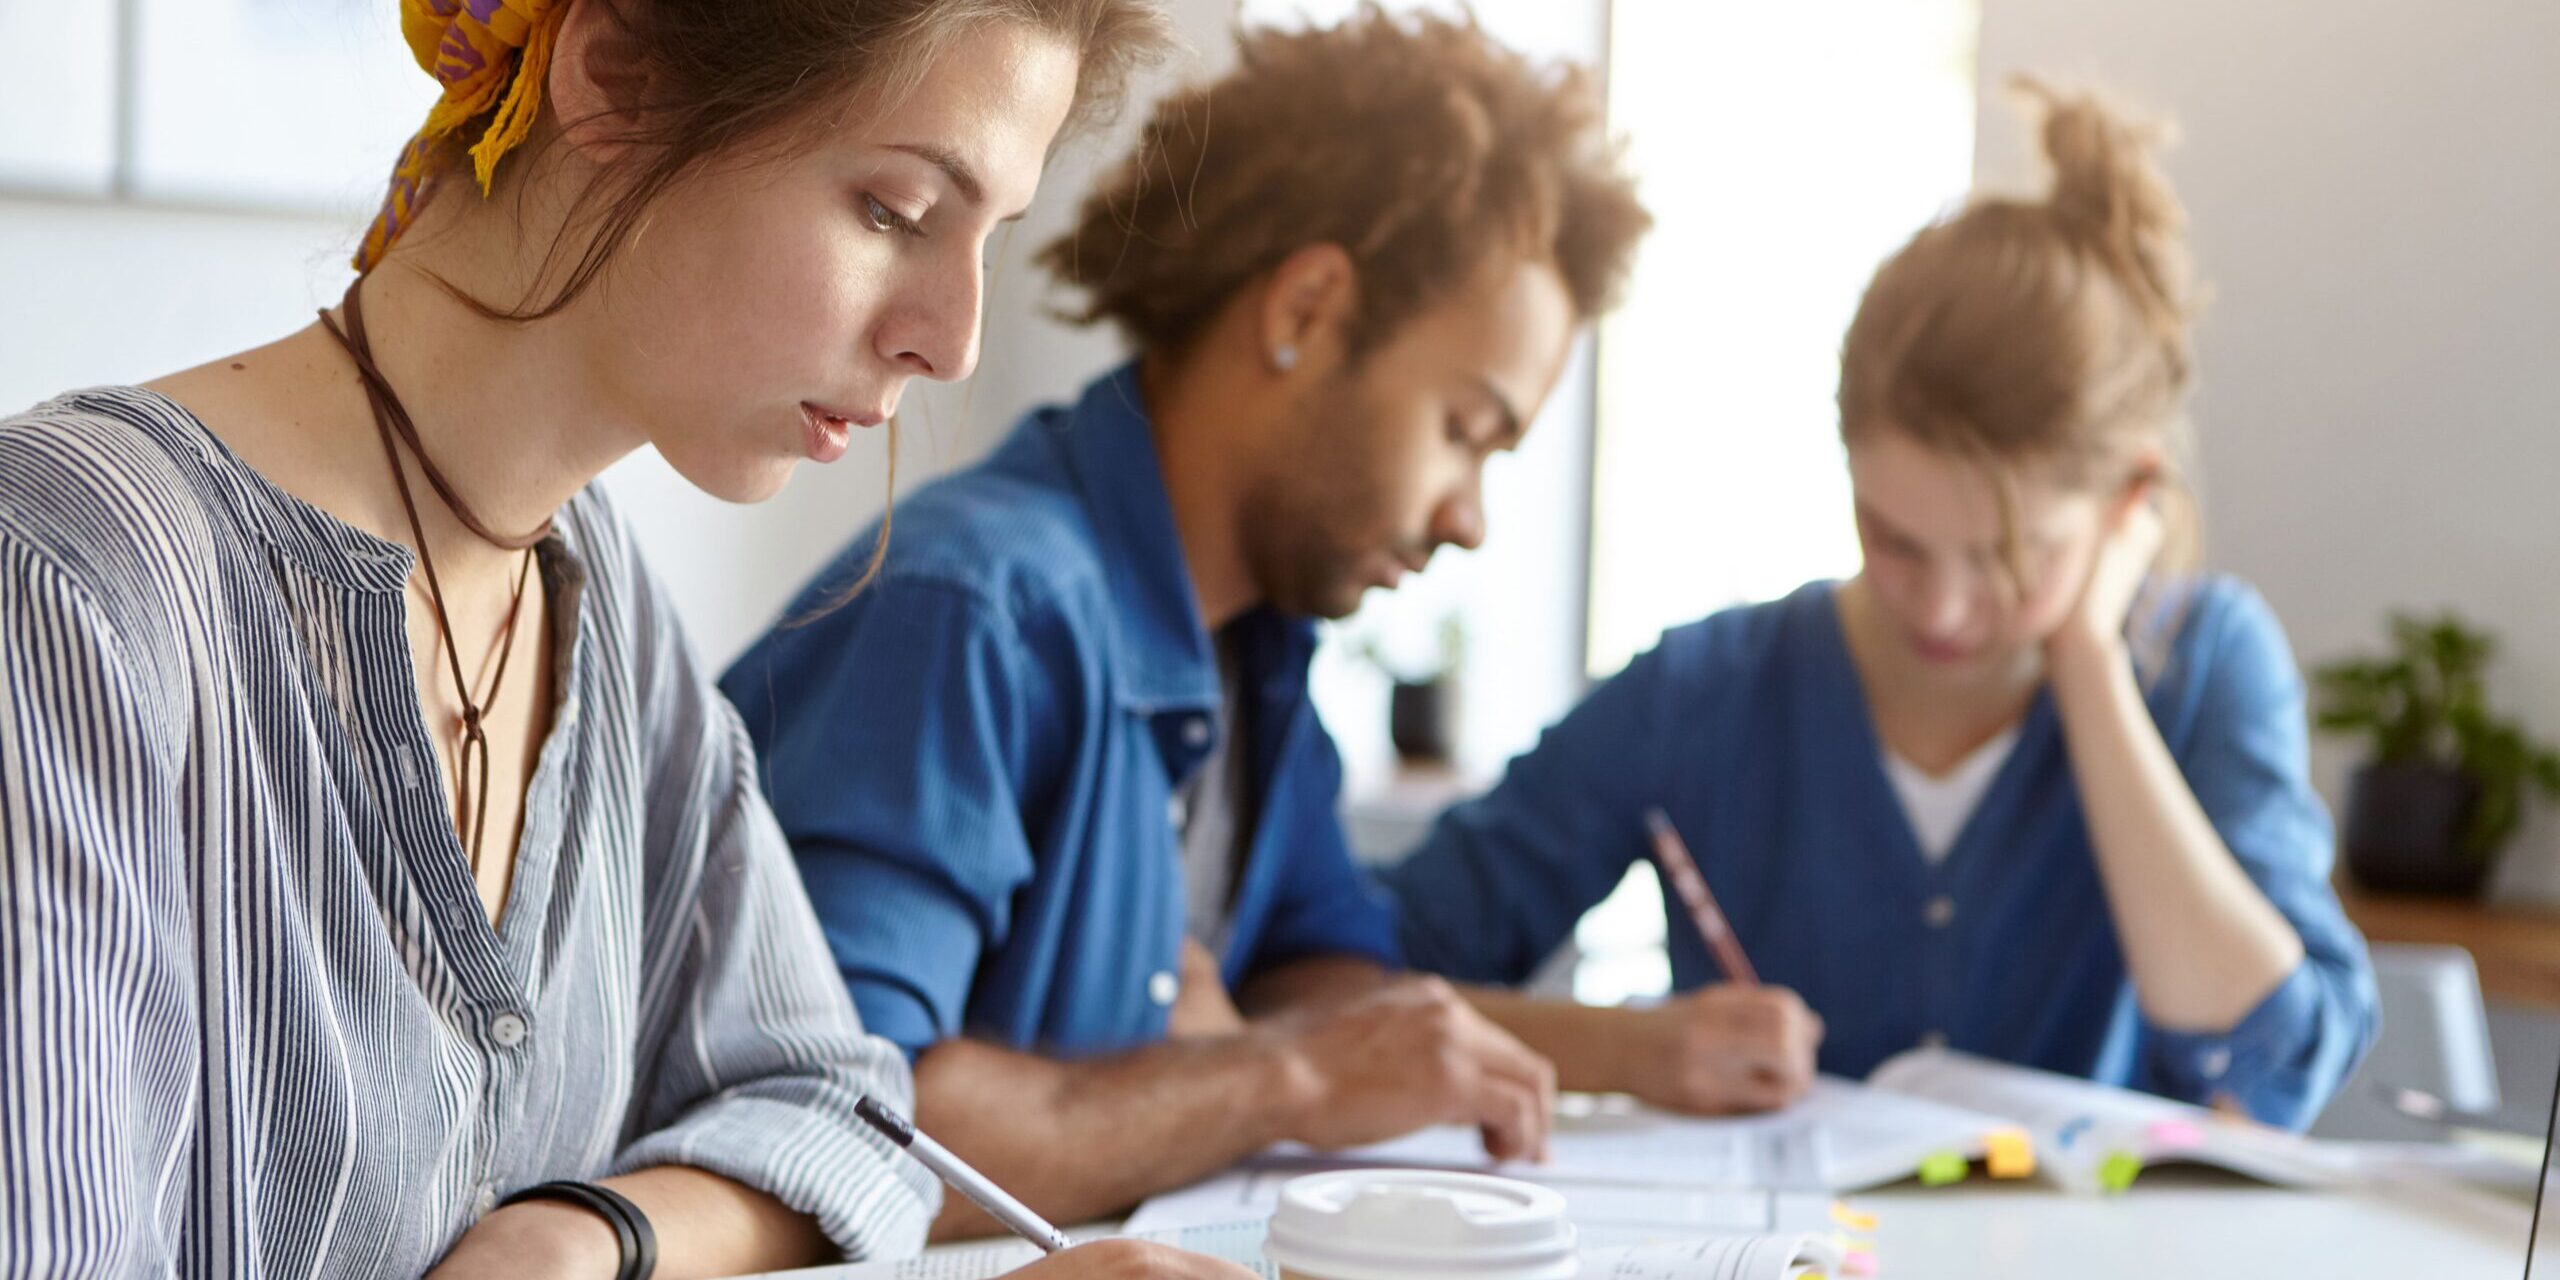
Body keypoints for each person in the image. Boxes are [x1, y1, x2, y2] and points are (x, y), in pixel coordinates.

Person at [0, 0, 1257, 1276]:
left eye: (988, 240)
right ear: (618, 78)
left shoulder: (597, 601)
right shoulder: (66, 584)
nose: (951, 338)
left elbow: (845, 1109)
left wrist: (584, 1237)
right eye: (894, 211)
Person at [719, 8, 1664, 1236]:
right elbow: (844, 1129)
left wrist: (1265, 1036)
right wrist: (1278, 1074)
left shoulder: (1256, 649)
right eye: (1464, 430)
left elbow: (1327, 981)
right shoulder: (976, 611)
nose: (1468, 518)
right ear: (1307, 309)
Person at [1381, 79, 2378, 1130]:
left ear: (2128, 501)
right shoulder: (1706, 688)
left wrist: (2086, 659)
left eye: (2006, 555)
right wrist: (1623, 1047)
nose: (1943, 609)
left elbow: (2277, 1066)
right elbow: (1368, 964)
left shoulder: (2205, 665)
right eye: (1894, 538)